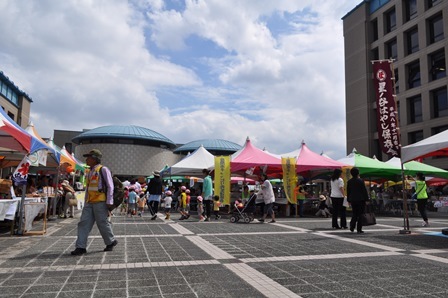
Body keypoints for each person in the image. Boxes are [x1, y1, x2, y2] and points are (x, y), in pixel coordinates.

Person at [71, 149, 117, 256]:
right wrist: (86, 200)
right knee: (83, 223)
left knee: (102, 223)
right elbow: (88, 188)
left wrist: (109, 201)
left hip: (100, 201)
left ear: (95, 159)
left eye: (89, 157)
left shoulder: (103, 169)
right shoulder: (90, 171)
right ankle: (80, 247)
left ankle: (110, 242)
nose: (86, 159)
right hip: (89, 202)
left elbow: (110, 186)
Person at [347, 167, 369, 233]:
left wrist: (349, 200)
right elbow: (364, 191)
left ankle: (352, 227)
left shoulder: (349, 181)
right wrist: (366, 199)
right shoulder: (361, 181)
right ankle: (359, 229)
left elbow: (348, 191)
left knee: (354, 213)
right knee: (360, 214)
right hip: (361, 199)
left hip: (353, 199)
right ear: (358, 173)